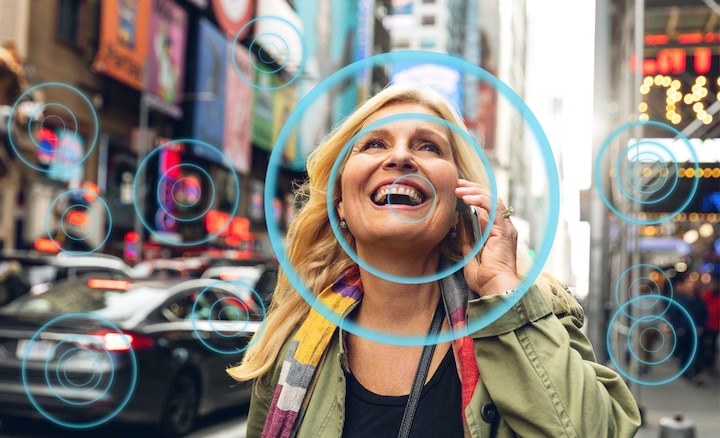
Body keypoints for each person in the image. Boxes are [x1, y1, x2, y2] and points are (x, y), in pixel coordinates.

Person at [227, 84, 641, 437]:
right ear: (340, 205)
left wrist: (502, 289)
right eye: (374, 143)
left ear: (460, 199)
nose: (402, 157)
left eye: (428, 146)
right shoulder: (290, 343)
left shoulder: (532, 310)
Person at [700, 277, 719, 375]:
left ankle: (710, 364)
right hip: (705, 324)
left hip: (715, 326)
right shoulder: (705, 296)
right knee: (703, 344)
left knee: (712, 346)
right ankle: (704, 362)